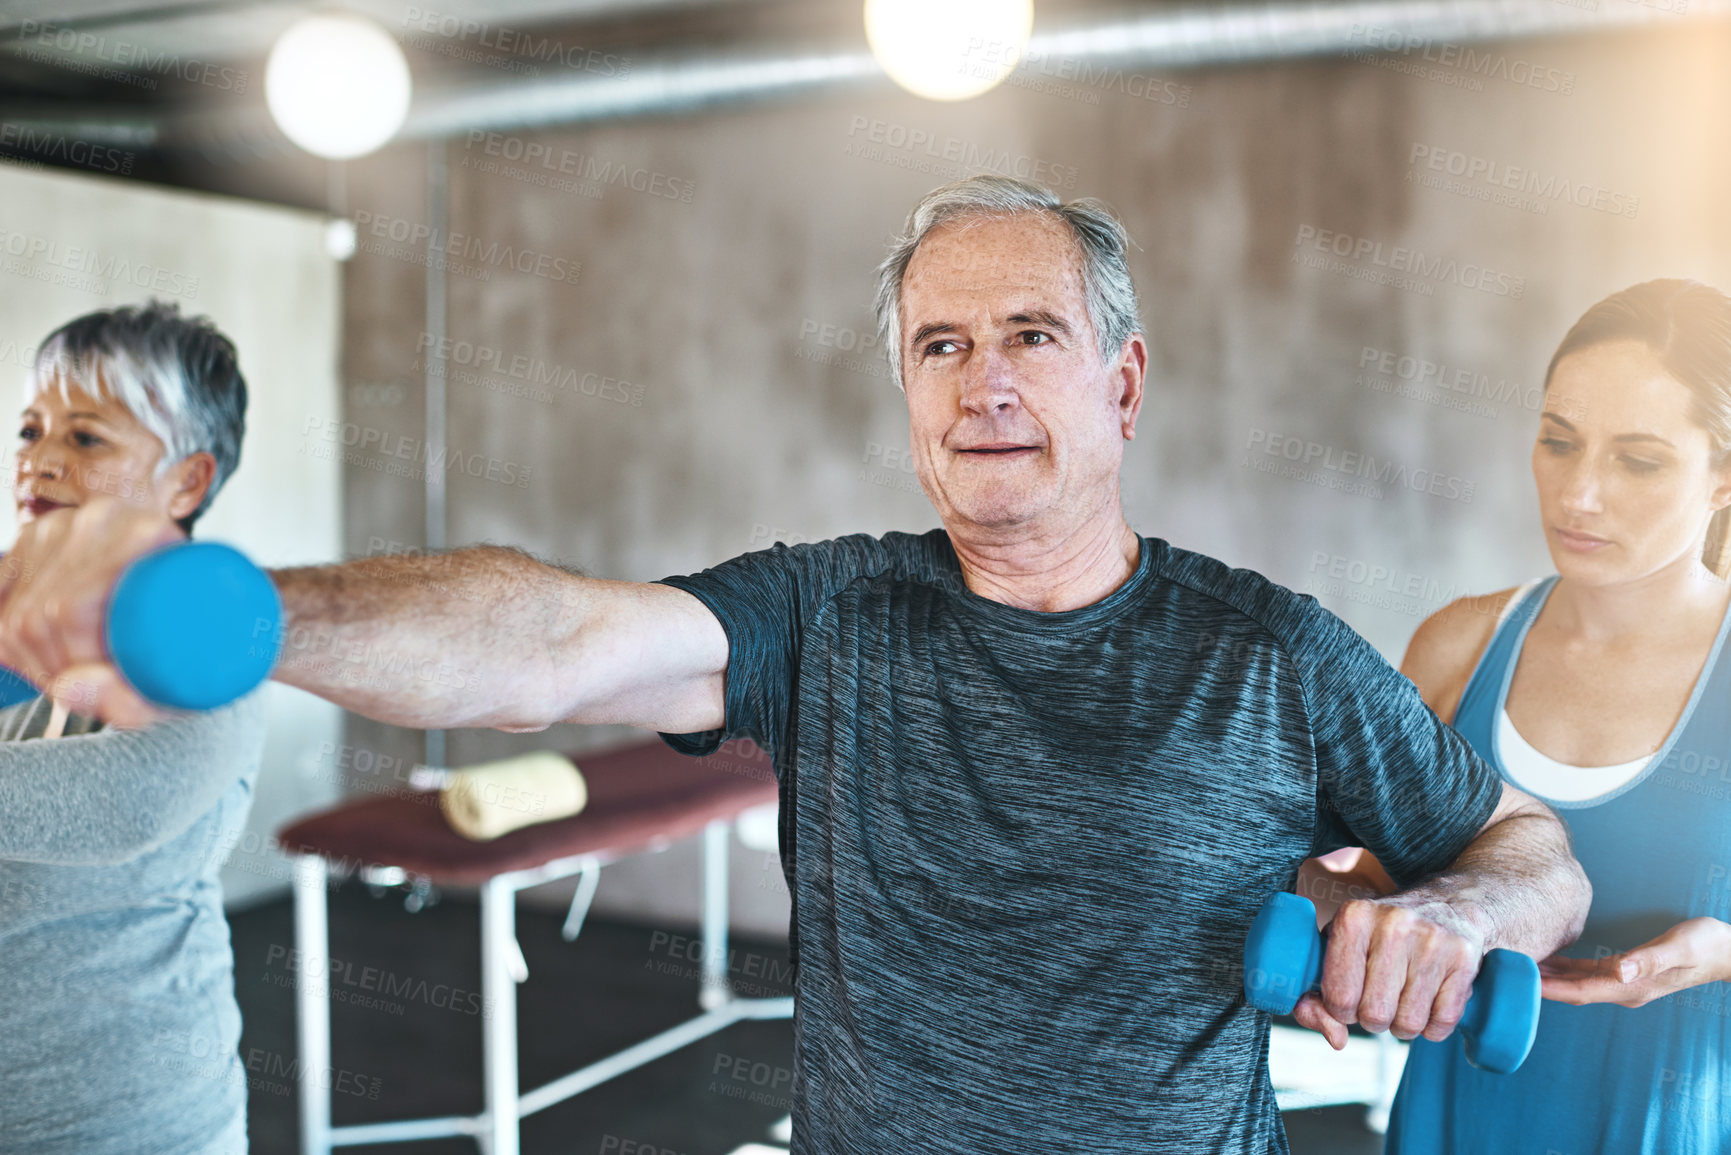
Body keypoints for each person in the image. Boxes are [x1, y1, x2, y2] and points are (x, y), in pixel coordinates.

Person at [0, 178, 1589, 1154]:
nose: (981, 384)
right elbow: (557, 639)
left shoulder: (1269, 653)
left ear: (1122, 380)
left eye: (1027, 335)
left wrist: (1451, 910)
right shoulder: (831, 615)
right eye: (936, 346)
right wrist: (236, 608)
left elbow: (1529, 852)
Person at [1361, 279, 1731, 1153]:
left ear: (1723, 477)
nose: (1580, 495)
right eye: (1558, 443)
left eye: (1637, 460)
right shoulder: (1457, 645)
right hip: (1453, 1116)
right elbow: (1371, 881)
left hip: (1665, 1118)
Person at [0, 302, 267, 1155]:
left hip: (125, 1120)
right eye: (31, 428)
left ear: (186, 481)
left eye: (85, 439)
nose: (38, 459)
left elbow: (122, 807)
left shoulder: (212, 634)